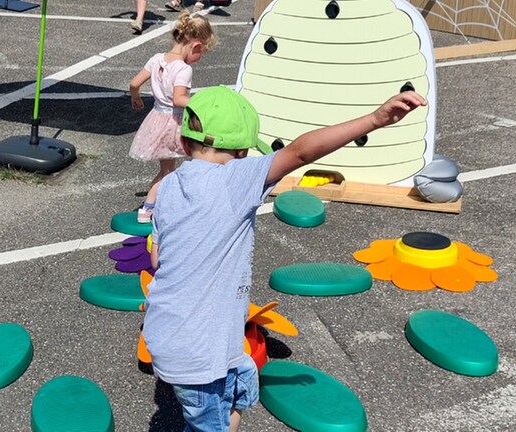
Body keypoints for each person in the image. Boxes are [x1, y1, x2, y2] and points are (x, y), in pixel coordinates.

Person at [142, 86, 427, 431]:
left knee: (238, 389)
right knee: (211, 420)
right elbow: (301, 152)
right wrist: (374, 119)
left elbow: (157, 260)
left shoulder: (169, 186)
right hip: (202, 350)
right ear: (243, 151)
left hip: (173, 335)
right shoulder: (235, 178)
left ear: (185, 144)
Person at [129, 11, 215, 223]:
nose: (199, 58)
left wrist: (136, 97)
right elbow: (179, 100)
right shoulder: (183, 69)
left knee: (169, 168)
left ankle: (162, 203)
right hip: (174, 124)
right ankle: (149, 208)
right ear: (195, 46)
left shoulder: (157, 59)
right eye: (202, 52)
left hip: (157, 118)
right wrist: (200, 102)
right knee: (193, 161)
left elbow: (134, 83)